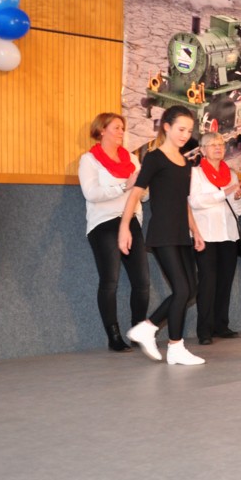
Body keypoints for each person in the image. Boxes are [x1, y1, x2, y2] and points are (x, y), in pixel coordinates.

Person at [120, 106, 207, 366]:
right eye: (180, 129)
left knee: (190, 290)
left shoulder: (186, 163)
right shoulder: (154, 158)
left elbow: (183, 201)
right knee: (181, 289)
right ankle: (173, 344)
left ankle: (150, 330)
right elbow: (135, 194)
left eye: (189, 131)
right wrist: (124, 227)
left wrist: (195, 230)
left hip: (181, 233)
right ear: (166, 127)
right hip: (162, 233)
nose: (185, 135)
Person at [78, 112, 149, 353]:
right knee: (110, 281)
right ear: (102, 130)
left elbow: (144, 195)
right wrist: (123, 186)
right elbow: (91, 193)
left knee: (142, 282)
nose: (121, 132)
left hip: (132, 222)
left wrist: (142, 186)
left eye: (122, 128)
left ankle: (138, 332)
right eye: (116, 127)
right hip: (104, 224)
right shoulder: (89, 160)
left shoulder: (132, 159)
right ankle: (114, 336)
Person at [189, 132, 241, 345]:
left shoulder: (230, 174)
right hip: (205, 235)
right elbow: (194, 202)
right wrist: (224, 193)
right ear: (202, 150)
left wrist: (237, 197)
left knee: (225, 281)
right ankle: (204, 330)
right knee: (207, 283)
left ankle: (221, 325)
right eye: (212, 144)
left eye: (221, 144)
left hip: (228, 235)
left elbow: (238, 209)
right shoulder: (195, 173)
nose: (218, 147)